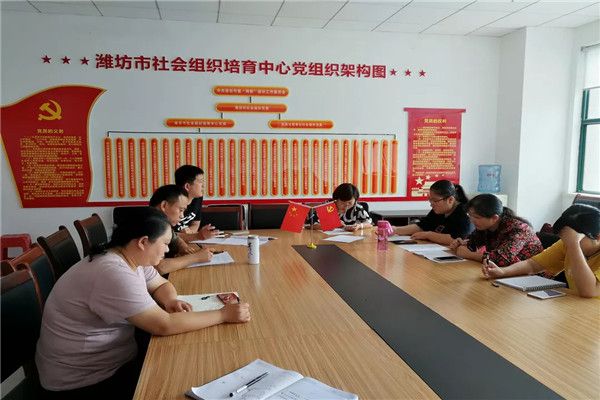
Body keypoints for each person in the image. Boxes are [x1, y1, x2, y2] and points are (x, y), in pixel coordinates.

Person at [35, 207, 250, 399]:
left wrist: (171, 300)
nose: (167, 250)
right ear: (143, 242)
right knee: (185, 375)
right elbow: (163, 325)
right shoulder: (111, 272)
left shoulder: (129, 256)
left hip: (112, 359)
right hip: (83, 381)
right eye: (165, 244)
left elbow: (160, 284)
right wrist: (223, 314)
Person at [482, 204, 600, 298]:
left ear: (598, 237)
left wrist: (574, 245)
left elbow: (590, 291)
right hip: (577, 307)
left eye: (575, 238)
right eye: (564, 238)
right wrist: (503, 272)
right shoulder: (567, 243)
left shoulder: (571, 244)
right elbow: (533, 265)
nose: (566, 243)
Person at [449, 194, 542, 266]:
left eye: (477, 217)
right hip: (507, 273)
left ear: (494, 218)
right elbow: (472, 242)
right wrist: (461, 243)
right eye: (470, 215)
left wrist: (469, 254)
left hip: (534, 277)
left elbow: (502, 259)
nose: (472, 220)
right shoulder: (485, 226)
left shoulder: (519, 229)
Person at [149, 184, 213, 275]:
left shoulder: (160, 222)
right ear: (164, 205)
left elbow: (175, 238)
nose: (182, 216)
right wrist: (196, 257)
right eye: (181, 210)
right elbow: (159, 267)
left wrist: (185, 248)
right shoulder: (150, 226)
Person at [394, 180, 473, 245]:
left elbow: (458, 239)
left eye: (435, 200)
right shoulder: (439, 210)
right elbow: (422, 226)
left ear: (450, 200)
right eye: (430, 200)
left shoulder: (465, 214)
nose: (431, 204)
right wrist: (395, 229)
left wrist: (428, 235)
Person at [173, 165, 217, 239]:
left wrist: (190, 234)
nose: (203, 185)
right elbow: (164, 235)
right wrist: (194, 236)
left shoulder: (197, 198)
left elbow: (196, 224)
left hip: (187, 240)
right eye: (200, 181)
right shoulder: (171, 201)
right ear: (187, 186)